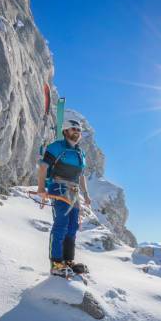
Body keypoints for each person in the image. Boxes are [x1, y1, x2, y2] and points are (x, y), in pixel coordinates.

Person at [37, 118, 92, 277]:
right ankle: (56, 263)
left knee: (72, 226)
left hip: (74, 192)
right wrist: (41, 188)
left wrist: (86, 195)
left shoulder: (80, 152)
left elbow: (81, 175)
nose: (77, 132)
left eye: (79, 130)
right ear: (66, 131)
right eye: (73, 129)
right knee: (61, 223)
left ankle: (68, 261)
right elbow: (43, 166)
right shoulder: (56, 147)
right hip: (59, 187)